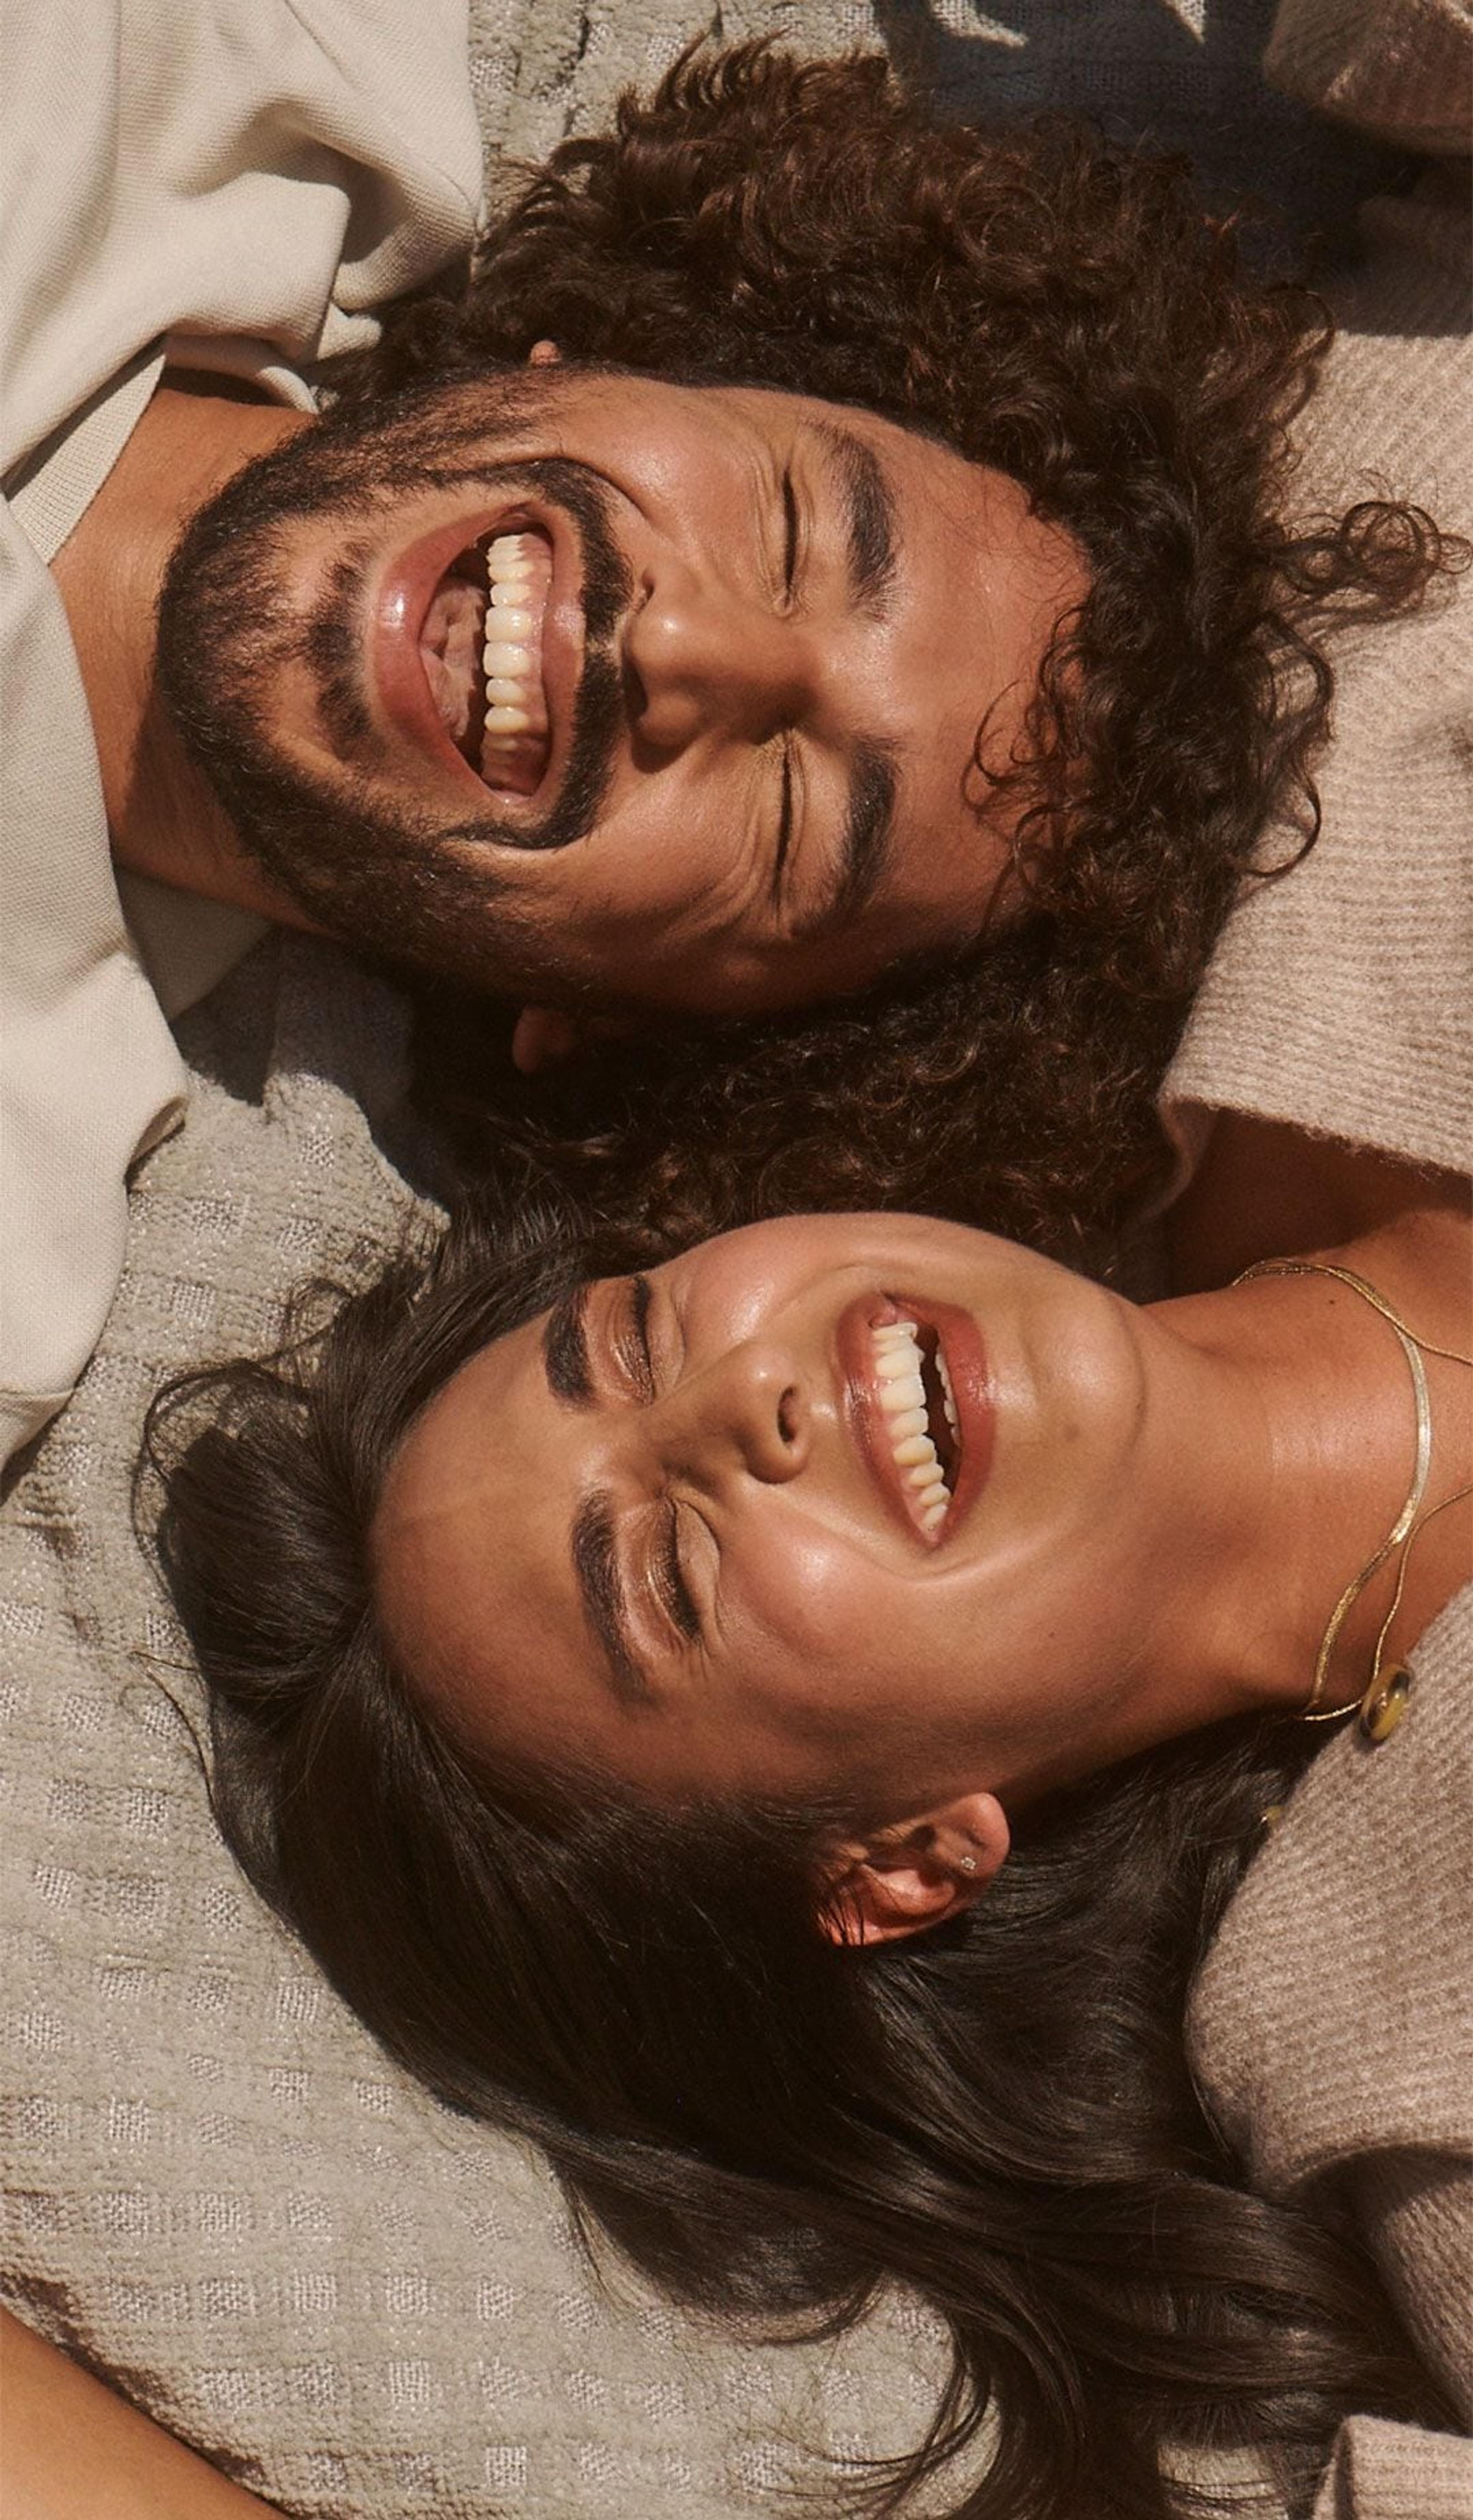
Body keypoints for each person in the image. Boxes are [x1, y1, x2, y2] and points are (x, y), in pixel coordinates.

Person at [2, 23, 1449, 1471]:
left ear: (605, 1021)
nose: (682, 653)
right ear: (606, 364)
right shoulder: (252, 50)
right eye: (793, 527)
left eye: (791, 819)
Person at [149, 1108, 1471, 2517]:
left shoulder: (1266, 1025)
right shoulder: (1411, 2059)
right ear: (902, 1865)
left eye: (635, 1343)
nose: (745, 1400)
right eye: (669, 1580)